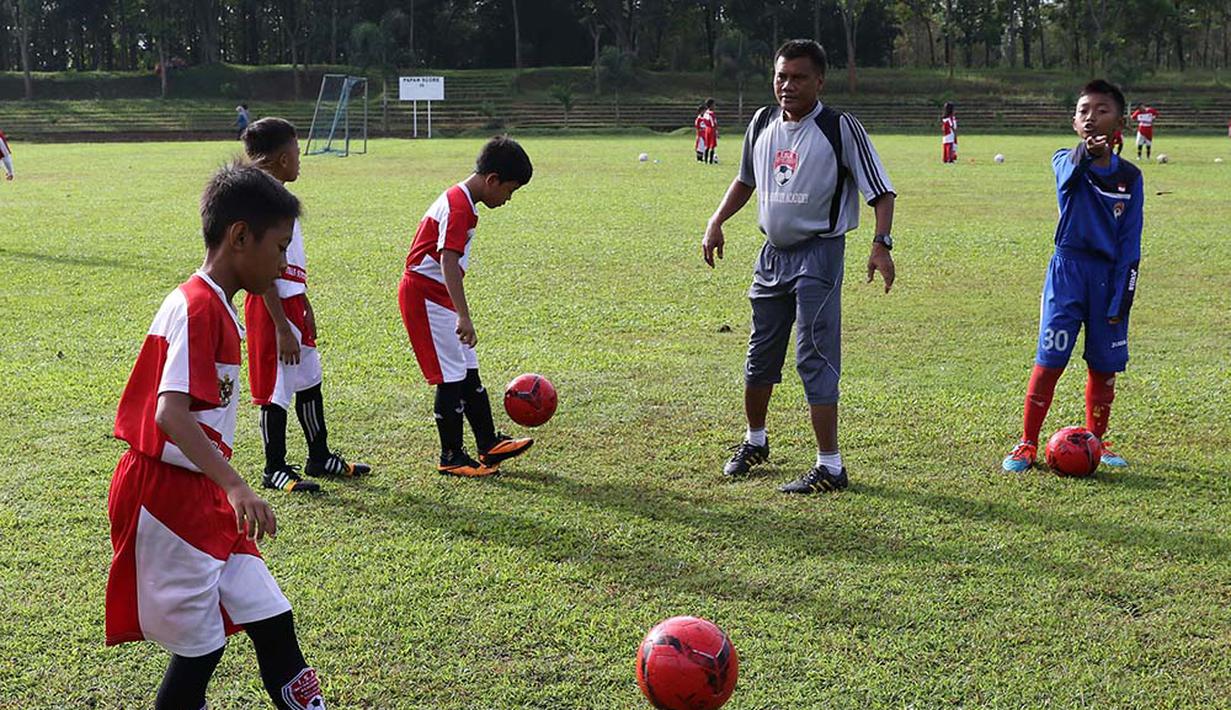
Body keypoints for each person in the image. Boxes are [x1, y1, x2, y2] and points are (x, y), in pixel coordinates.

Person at [106, 162, 326, 710]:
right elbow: (170, 415)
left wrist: (225, 486)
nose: (282, 264)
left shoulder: (217, 306)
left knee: (272, 617)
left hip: (203, 490)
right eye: (279, 248)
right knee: (200, 650)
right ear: (239, 237)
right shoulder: (199, 306)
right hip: (167, 496)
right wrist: (237, 485)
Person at [701, 39, 897, 495]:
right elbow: (746, 179)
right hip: (772, 254)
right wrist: (716, 220)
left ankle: (830, 466)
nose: (787, 85)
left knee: (815, 354)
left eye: (799, 77)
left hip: (819, 254)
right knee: (760, 353)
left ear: (820, 81)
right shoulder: (763, 121)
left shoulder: (839, 127)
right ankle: (755, 442)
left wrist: (880, 244)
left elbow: (882, 192)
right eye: (781, 76)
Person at [1002, 79, 1142, 473]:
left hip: (1108, 278)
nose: (1091, 117)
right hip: (1067, 274)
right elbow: (1068, 176)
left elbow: (1131, 240)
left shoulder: (1130, 178)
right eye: (1083, 111)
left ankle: (1097, 440)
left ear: (1121, 122)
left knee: (1104, 365)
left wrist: (1123, 295)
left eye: (1102, 110)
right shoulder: (1065, 159)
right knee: (1050, 361)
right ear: (1074, 122)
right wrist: (1086, 154)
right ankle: (1027, 442)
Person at [241, 118, 370, 493]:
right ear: (282, 158)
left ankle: (319, 454)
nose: (300, 161)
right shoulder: (260, 203)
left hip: (292, 303)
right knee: (277, 388)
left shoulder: (278, 196)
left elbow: (288, 259)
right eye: (297, 153)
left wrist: (304, 300)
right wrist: (281, 325)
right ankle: (274, 467)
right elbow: (261, 268)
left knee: (309, 378)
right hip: (271, 308)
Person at [398, 136, 536, 477]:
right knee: (450, 375)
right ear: (492, 180)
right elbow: (447, 261)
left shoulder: (463, 200)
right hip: (426, 296)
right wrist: (464, 315)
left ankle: (488, 443)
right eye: (509, 191)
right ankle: (451, 456)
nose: (508, 199)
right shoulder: (459, 206)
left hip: (439, 294)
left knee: (467, 369)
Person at [703, 98, 719, 164]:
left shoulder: (705, 113)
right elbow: (713, 123)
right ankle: (710, 161)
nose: (714, 106)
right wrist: (716, 132)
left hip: (706, 129)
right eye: (714, 105)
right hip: (711, 130)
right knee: (712, 146)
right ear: (711, 105)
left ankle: (706, 160)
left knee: (707, 145)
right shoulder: (711, 114)